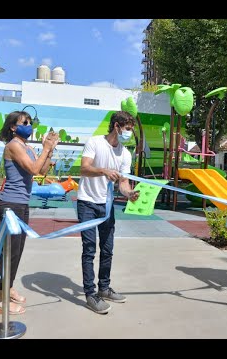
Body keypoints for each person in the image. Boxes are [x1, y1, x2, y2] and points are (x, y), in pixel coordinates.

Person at [0, 111, 59, 315]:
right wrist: (45, 148)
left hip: (21, 205)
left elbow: (42, 170)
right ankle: (0, 301)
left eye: (30, 122)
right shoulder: (13, 145)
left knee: (16, 252)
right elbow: (32, 168)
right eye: (24, 122)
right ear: (13, 127)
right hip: (10, 205)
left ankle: (8, 287)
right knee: (10, 253)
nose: (29, 125)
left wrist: (49, 151)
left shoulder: (27, 147)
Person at [77, 111, 140, 314]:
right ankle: (90, 294)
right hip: (87, 202)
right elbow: (84, 169)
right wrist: (103, 170)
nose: (129, 134)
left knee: (107, 249)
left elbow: (123, 182)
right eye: (128, 129)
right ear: (117, 126)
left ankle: (104, 288)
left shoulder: (126, 154)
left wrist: (129, 193)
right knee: (89, 249)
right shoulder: (95, 142)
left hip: (106, 205)